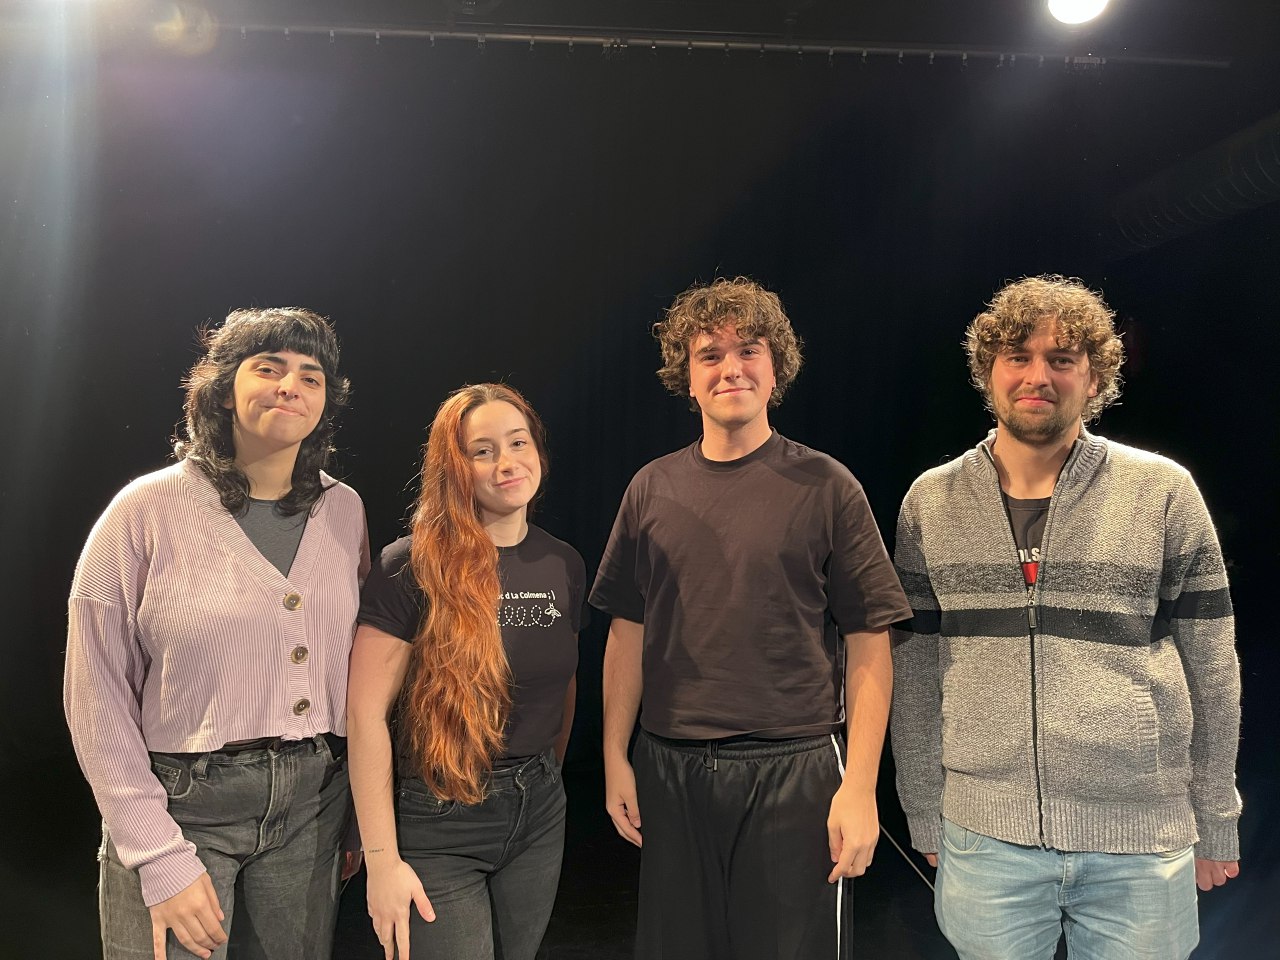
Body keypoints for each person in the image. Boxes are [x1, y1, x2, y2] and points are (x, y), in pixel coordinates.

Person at [889, 275, 1242, 959]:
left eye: (1061, 359)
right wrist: (924, 807)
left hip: (1141, 842)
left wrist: (1216, 816)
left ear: (1095, 376)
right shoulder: (930, 503)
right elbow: (916, 670)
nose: (1037, 376)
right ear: (988, 371)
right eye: (1018, 356)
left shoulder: (1163, 492)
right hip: (985, 840)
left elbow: (1213, 669)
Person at [590, 277, 911, 960]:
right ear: (687, 376)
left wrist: (860, 786)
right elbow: (627, 633)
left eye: (748, 351)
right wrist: (615, 755)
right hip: (671, 769)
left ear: (776, 367)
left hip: (793, 770)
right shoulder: (650, 488)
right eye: (710, 354)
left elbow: (870, 643)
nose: (730, 368)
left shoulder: (828, 486)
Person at [64, 308, 369, 960]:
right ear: (225, 389)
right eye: (269, 368)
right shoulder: (144, 511)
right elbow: (96, 697)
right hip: (182, 808)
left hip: (313, 805)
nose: (290, 386)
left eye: (310, 376)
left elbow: (353, 670)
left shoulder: (344, 510)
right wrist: (156, 853)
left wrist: (357, 813)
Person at [348, 383, 584, 960]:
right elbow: (364, 714)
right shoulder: (410, 565)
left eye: (518, 443)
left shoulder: (563, 562)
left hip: (538, 811)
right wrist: (381, 861)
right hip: (440, 816)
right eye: (483, 451)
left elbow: (562, 683)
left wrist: (545, 776)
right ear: (454, 468)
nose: (507, 463)